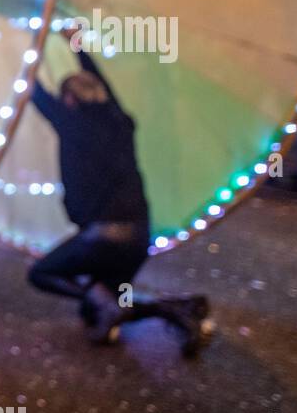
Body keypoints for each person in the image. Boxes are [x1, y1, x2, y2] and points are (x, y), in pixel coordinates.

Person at [26, 28, 209, 354]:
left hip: (102, 238)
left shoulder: (72, 123)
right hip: (138, 239)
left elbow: (34, 91)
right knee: (93, 310)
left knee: (42, 274)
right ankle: (174, 310)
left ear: (69, 100)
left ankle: (111, 302)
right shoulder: (120, 120)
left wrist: (31, 43)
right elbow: (101, 83)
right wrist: (76, 43)